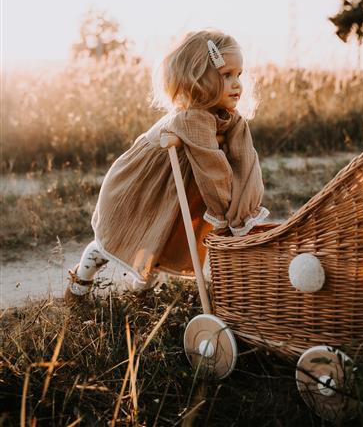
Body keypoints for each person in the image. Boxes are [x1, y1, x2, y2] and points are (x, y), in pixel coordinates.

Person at [65, 30, 270, 305]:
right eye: (226, 75)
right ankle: (82, 277)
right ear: (199, 80)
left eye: (239, 75)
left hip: (176, 191)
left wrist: (244, 211)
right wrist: (226, 218)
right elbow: (214, 173)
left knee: (166, 234)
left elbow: (246, 161)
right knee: (121, 236)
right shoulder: (191, 120)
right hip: (144, 186)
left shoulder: (231, 120)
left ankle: (143, 289)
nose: (236, 84)